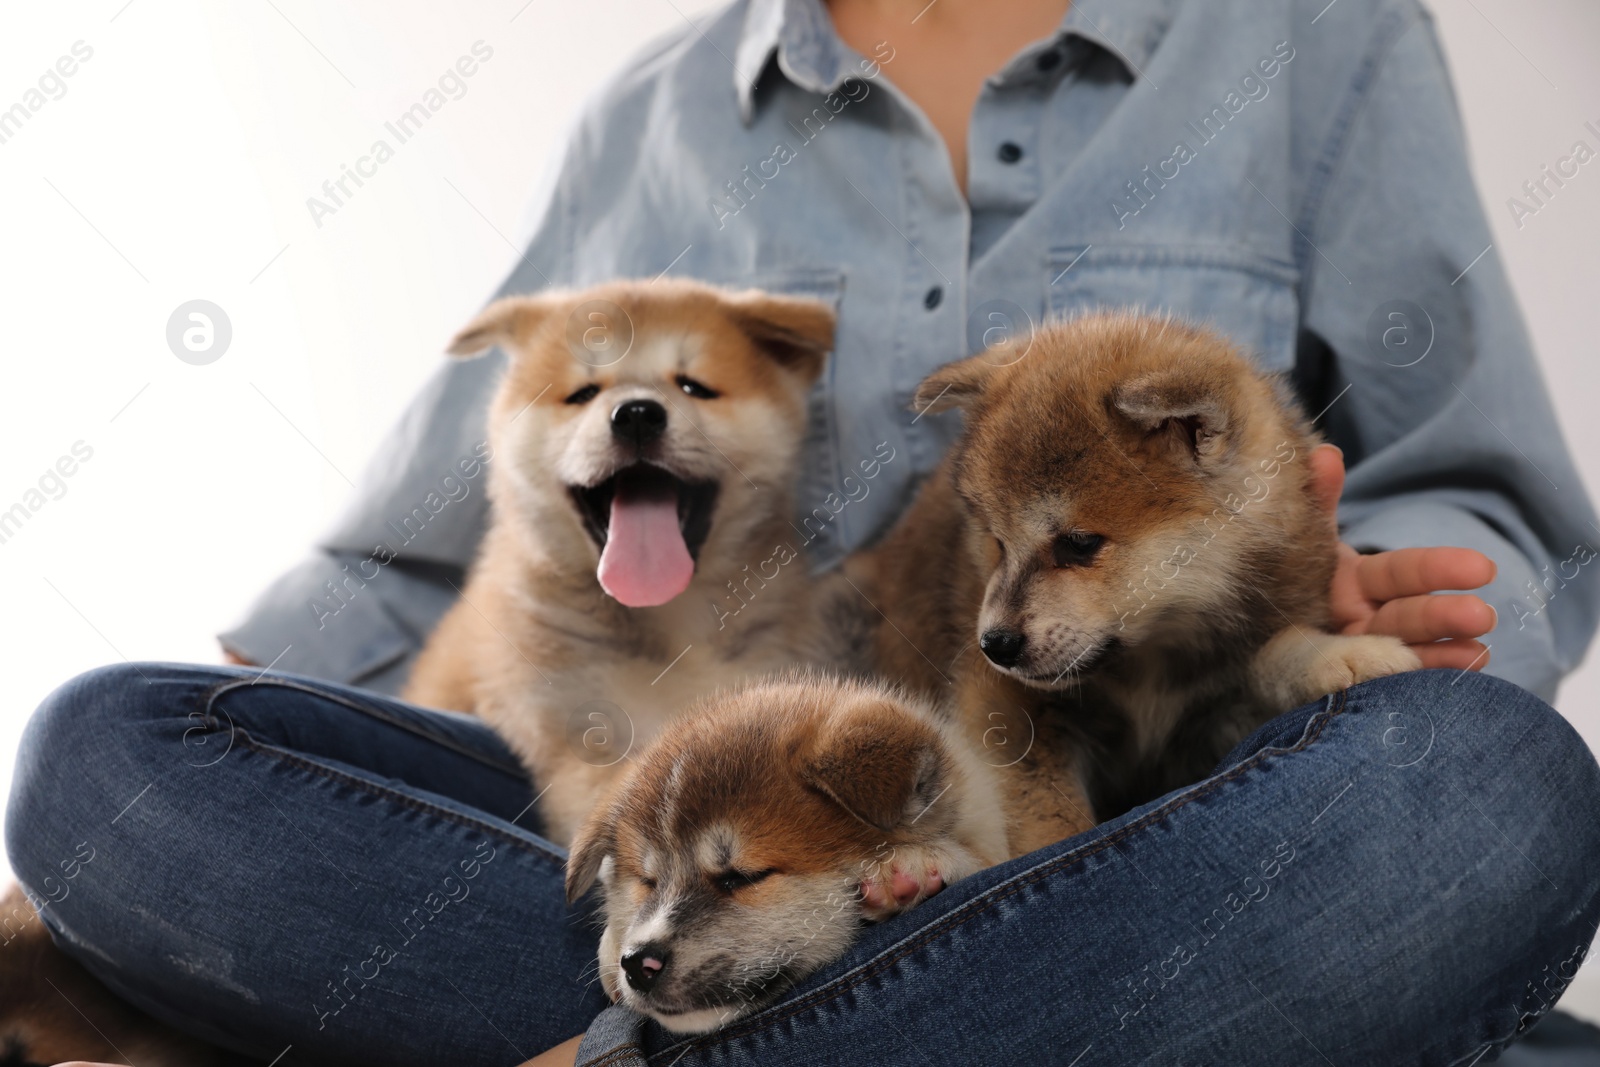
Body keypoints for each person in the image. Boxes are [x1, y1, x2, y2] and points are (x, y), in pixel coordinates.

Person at [11, 0, 1600, 1064]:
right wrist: (118, 851)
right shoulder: (653, 121)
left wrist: (1388, 600)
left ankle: (651, 1042)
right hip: (718, 855)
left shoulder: (1314, 39)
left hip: (1178, 828)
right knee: (104, 758)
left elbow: (1485, 491)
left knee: (1489, 791)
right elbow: (403, 560)